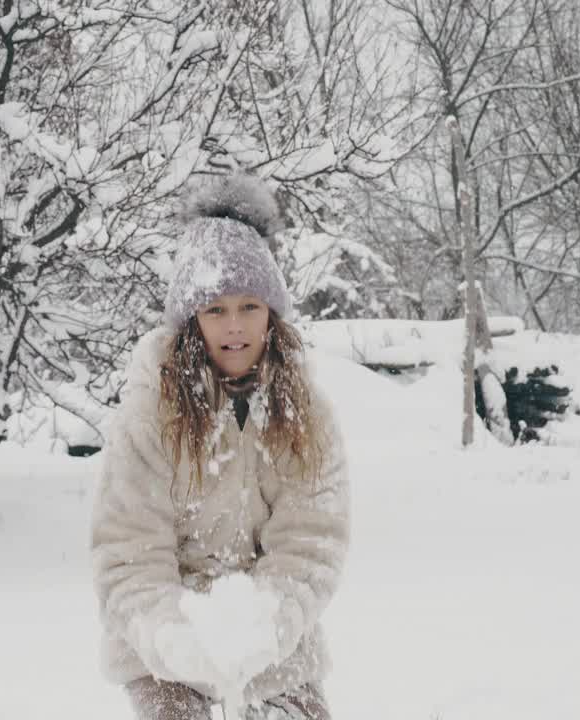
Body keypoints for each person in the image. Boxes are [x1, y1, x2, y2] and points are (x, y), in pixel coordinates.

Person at [90, 174, 351, 720]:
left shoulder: (307, 414)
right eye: (214, 310)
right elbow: (129, 556)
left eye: (249, 307)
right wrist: (176, 640)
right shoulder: (149, 414)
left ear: (271, 314)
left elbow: (311, 542)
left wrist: (266, 627)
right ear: (191, 321)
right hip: (164, 649)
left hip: (275, 640)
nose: (234, 327)